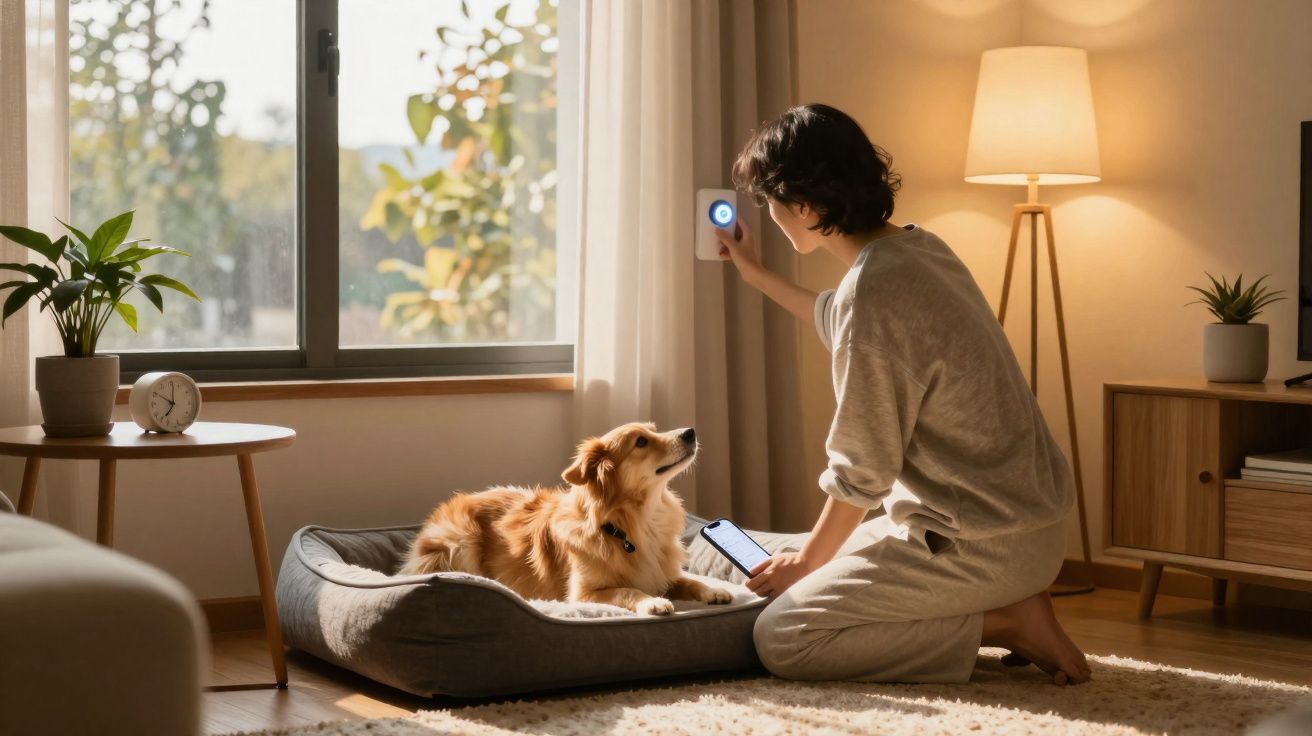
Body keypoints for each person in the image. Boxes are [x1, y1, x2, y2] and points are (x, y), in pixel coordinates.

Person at [715, 103, 1091, 686]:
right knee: (793, 555)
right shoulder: (918, 249)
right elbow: (836, 315)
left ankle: (1006, 622)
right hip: (1023, 530)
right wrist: (753, 272)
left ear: (806, 206)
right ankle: (1010, 606)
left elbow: (863, 468)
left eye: (770, 200)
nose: (768, 213)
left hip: (980, 545)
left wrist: (810, 564)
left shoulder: (873, 292)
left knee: (784, 635)